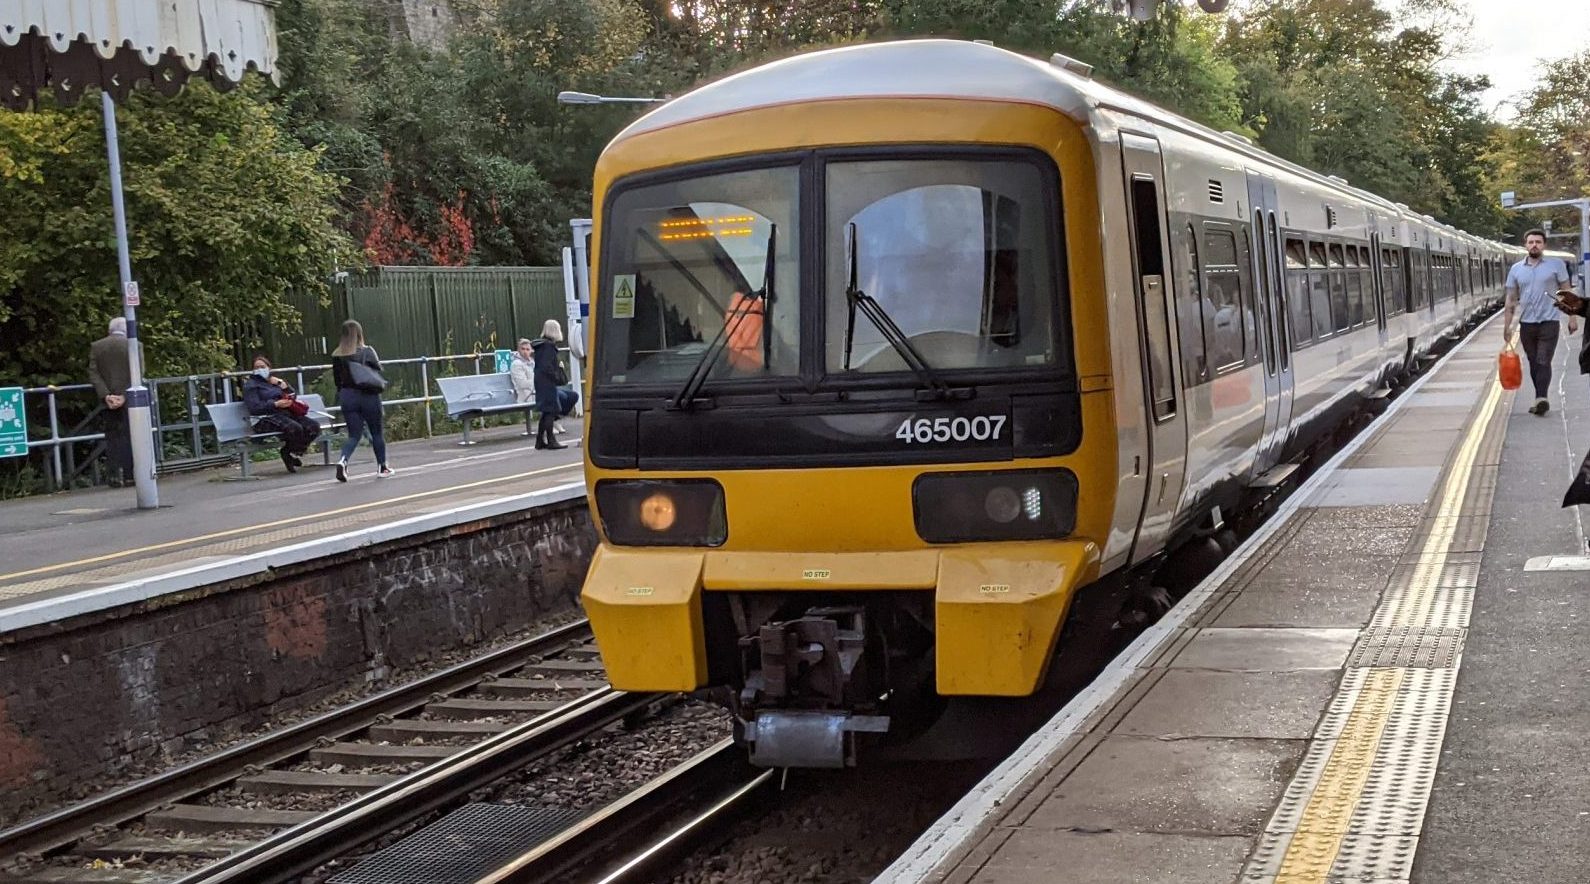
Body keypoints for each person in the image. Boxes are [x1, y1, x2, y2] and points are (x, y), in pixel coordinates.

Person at [1503, 229, 1577, 415]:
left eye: (1538, 241)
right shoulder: (1516, 269)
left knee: (1544, 359)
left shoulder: (1556, 265)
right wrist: (1507, 326)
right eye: (1531, 242)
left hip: (1549, 320)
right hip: (1527, 323)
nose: (1534, 244)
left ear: (1544, 244)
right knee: (1534, 361)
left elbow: (1567, 292)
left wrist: (1573, 317)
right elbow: (1511, 299)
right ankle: (1539, 398)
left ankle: (1541, 398)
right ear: (1525, 245)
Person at [330, 319, 393, 481]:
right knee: (376, 432)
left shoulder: (337, 355)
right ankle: (382, 467)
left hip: (347, 396)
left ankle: (343, 461)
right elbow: (377, 369)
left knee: (353, 435)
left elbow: (337, 380)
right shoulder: (367, 351)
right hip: (368, 395)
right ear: (359, 333)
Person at [242, 355, 321, 473]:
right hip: (264, 417)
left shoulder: (274, 382)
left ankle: (290, 452)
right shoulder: (251, 385)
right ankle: (288, 454)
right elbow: (254, 408)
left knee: (313, 427)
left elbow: (293, 395)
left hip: (285, 412)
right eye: (256, 367)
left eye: (262, 367)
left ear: (269, 368)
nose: (260, 369)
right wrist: (275, 404)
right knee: (294, 428)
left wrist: (283, 385)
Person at [87, 317, 133, 487]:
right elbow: (138, 372)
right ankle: (130, 475)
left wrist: (107, 395)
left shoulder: (97, 346)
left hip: (108, 401)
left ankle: (114, 476)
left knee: (112, 436)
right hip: (129, 400)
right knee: (130, 436)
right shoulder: (134, 345)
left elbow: (94, 373)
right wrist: (124, 396)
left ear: (110, 330)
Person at [530, 320, 571, 450]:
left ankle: (540, 440)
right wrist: (557, 376)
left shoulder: (540, 345)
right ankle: (551, 440)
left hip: (540, 381)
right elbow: (547, 366)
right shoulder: (548, 347)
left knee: (546, 411)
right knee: (551, 411)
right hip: (547, 382)